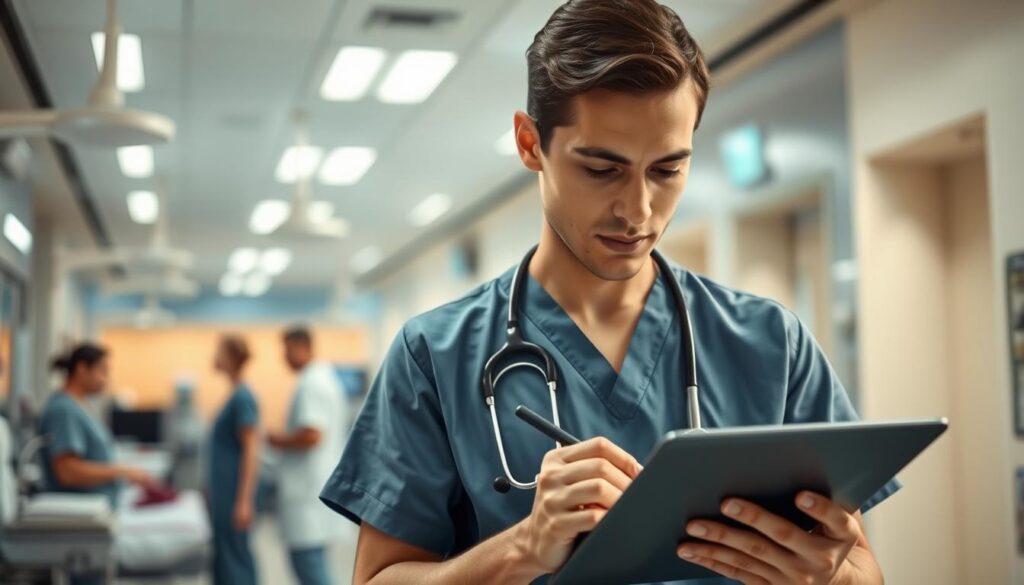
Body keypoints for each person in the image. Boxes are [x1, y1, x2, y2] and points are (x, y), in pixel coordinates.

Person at [320, 1, 900, 584]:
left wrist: (832, 578)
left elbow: (862, 568)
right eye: (602, 170)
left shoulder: (772, 343)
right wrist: (524, 547)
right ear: (529, 143)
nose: (638, 211)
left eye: (667, 170)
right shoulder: (434, 355)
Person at [268, 325, 348, 585]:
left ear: (301, 347)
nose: (284, 356)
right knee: (312, 565)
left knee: (310, 568)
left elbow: (312, 435)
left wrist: (277, 440)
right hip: (315, 489)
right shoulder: (324, 378)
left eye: (286, 349)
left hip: (308, 494)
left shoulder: (312, 382)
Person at [40, 343, 154, 506]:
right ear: (82, 369)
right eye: (103, 371)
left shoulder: (80, 406)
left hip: (98, 506)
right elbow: (67, 472)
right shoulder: (64, 410)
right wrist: (121, 472)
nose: (106, 380)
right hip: (80, 510)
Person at [208, 334, 260, 585]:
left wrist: (244, 501)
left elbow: (252, 450)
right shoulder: (234, 394)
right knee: (224, 556)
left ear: (231, 357)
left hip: (234, 492)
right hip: (224, 491)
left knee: (236, 557)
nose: (213, 357)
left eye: (218, 351)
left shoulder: (242, 397)